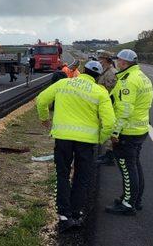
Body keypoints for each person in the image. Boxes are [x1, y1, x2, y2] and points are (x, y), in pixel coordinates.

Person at [36, 60, 116, 233]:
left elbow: (41, 100)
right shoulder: (100, 92)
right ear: (98, 76)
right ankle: (76, 212)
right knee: (82, 176)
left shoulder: (63, 83)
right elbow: (109, 123)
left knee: (62, 174)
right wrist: (100, 139)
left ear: (81, 70)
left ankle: (64, 215)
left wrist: (44, 118)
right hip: (87, 142)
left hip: (63, 138)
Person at [105, 49, 153, 216]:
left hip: (128, 131)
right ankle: (135, 199)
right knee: (135, 166)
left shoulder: (128, 81)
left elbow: (125, 109)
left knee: (127, 168)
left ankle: (127, 204)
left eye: (118, 60)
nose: (116, 63)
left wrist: (115, 132)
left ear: (124, 63)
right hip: (140, 129)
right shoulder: (142, 77)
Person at [95, 51, 118, 166]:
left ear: (107, 60)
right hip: (104, 103)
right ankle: (107, 153)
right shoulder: (105, 71)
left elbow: (109, 90)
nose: (100, 61)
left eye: (101, 59)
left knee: (109, 129)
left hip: (108, 104)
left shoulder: (111, 73)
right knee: (105, 128)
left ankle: (110, 156)